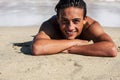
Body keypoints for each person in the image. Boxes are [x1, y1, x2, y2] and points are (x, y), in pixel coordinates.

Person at [31, 0, 117, 57]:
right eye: (64, 21)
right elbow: (38, 48)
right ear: (58, 19)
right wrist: (76, 42)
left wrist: (73, 49)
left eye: (76, 21)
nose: (70, 27)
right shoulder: (50, 25)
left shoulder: (91, 26)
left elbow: (111, 49)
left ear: (84, 20)